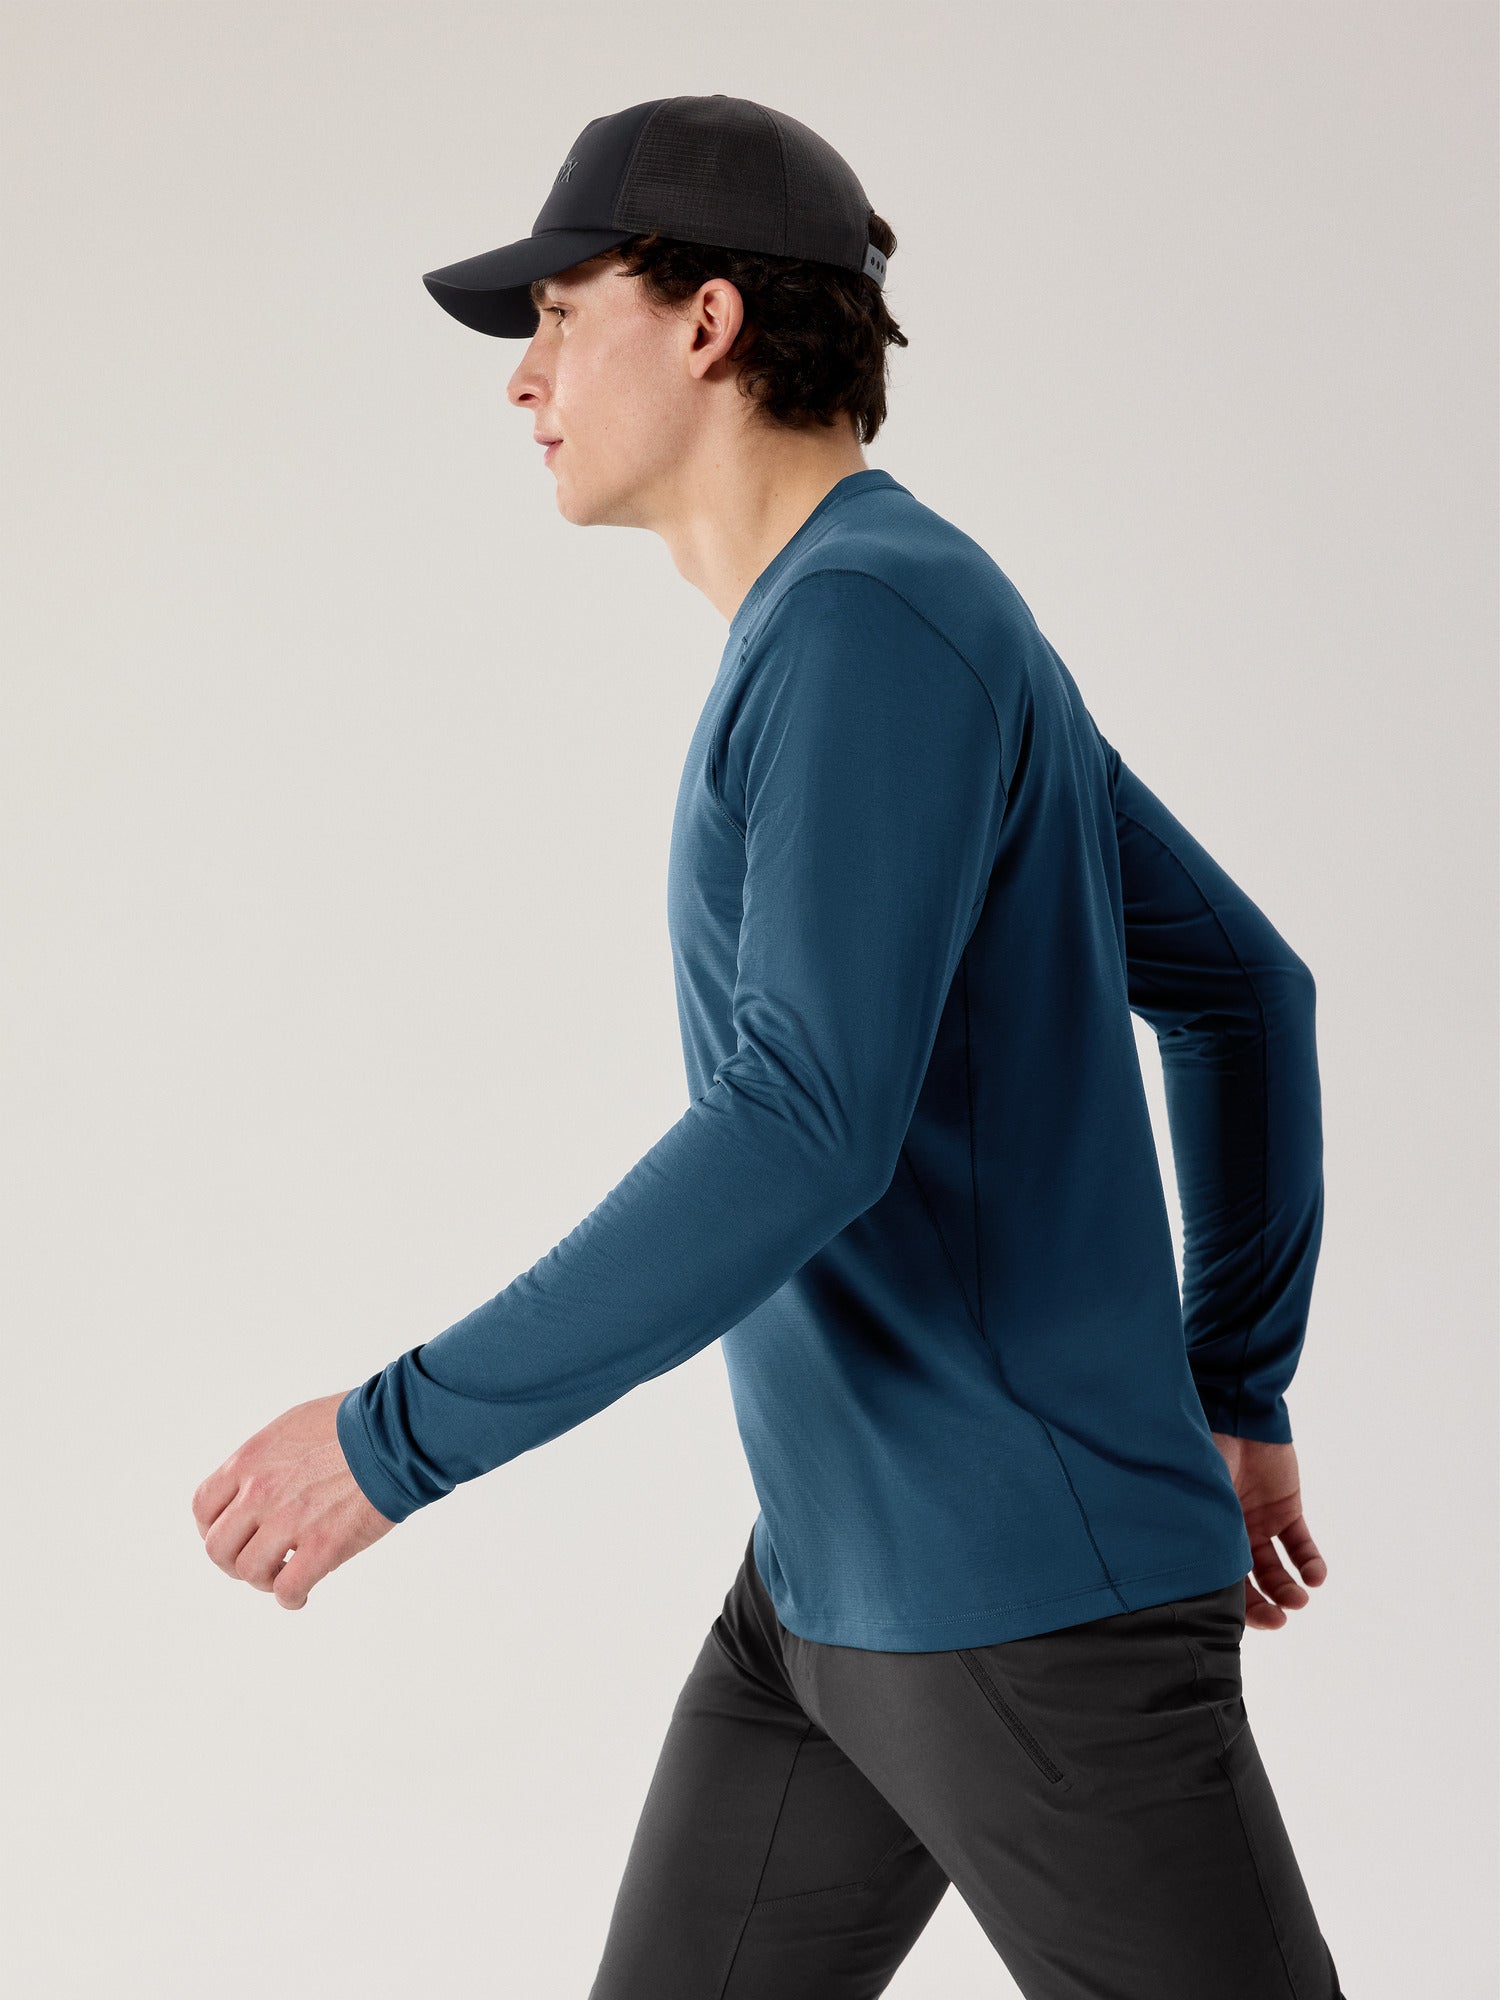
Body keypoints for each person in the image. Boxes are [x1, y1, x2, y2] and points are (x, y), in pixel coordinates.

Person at [192, 95, 1347, 1999]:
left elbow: (803, 1124)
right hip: (827, 1590)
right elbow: (1246, 989)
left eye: (560, 316)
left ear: (709, 322)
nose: (524, 379)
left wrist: (392, 1443)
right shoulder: (881, 611)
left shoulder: (872, 628)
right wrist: (1238, 1387)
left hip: (1021, 1603)